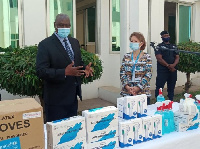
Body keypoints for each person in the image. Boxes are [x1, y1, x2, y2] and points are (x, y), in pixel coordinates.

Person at [36, 14, 93, 122]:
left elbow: (77, 63)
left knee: (71, 132)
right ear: (55, 25)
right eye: (61, 25)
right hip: (55, 100)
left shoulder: (74, 42)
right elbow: (41, 71)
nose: (64, 28)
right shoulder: (45, 45)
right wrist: (64, 72)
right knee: (56, 134)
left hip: (72, 97)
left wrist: (85, 68)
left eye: (67, 25)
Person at [120, 32, 152, 105]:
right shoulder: (126, 56)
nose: (133, 43)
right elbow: (122, 73)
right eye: (131, 41)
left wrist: (138, 88)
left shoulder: (147, 57)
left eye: (135, 41)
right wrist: (127, 87)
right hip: (127, 93)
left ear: (141, 43)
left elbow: (148, 74)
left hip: (143, 93)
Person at [155, 31, 179, 101]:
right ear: (162, 37)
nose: (167, 37)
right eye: (165, 36)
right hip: (162, 70)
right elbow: (159, 58)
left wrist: (173, 65)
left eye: (168, 35)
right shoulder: (159, 46)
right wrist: (168, 65)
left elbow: (177, 57)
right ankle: (158, 101)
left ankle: (171, 101)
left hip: (173, 70)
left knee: (171, 87)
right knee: (160, 87)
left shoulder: (174, 46)